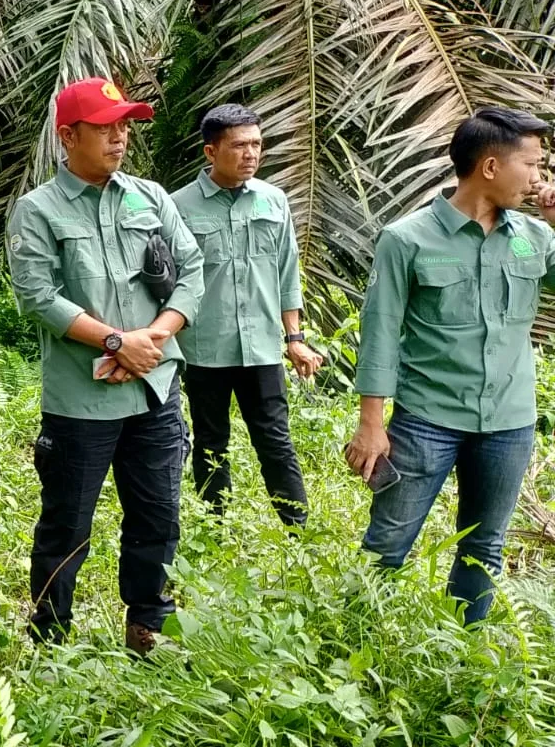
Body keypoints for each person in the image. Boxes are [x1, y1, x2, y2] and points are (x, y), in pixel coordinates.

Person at [6, 77, 204, 654]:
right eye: (105, 127)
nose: (119, 137)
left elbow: (191, 270)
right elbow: (38, 297)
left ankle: (149, 625)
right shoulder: (38, 210)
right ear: (68, 137)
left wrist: (154, 339)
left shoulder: (150, 197)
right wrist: (119, 343)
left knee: (158, 515)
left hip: (154, 391)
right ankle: (50, 637)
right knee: (67, 525)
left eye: (124, 125)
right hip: (81, 401)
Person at [347, 107, 555, 623]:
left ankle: (464, 654)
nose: (539, 178)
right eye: (532, 165)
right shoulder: (408, 239)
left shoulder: (534, 235)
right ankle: (352, 647)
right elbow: (379, 334)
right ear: (489, 167)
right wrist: (371, 425)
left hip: (509, 422)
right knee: (387, 546)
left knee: (484, 548)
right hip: (426, 420)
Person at [171, 104, 322, 527]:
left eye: (256, 144)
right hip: (204, 347)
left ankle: (299, 532)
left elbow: (287, 273)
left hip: (260, 348)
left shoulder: (274, 201)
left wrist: (295, 339)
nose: (251, 153)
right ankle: (214, 528)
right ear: (210, 151)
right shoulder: (178, 206)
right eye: (239, 145)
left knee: (276, 441)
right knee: (209, 442)